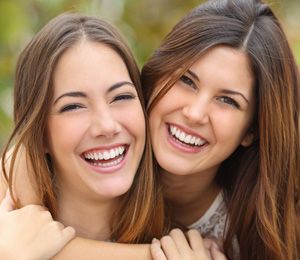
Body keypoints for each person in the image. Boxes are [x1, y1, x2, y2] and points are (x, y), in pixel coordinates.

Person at [2, 0, 299, 259]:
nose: (195, 113)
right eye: (186, 80)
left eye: (227, 100)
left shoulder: (259, 220)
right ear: (154, 79)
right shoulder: (108, 144)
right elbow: (25, 155)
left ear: (252, 129)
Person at [0, 12, 166, 259]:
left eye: (121, 97)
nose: (107, 126)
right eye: (73, 106)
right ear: (39, 134)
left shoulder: (185, 241)